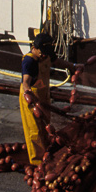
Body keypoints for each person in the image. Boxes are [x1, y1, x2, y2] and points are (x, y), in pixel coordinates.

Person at [20, 32, 57, 165]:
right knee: (34, 129)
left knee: (45, 124)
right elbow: (26, 82)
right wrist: (28, 93)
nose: (44, 55)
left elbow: (56, 61)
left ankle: (45, 153)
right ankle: (37, 162)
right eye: (42, 51)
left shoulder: (47, 53)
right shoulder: (29, 61)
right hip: (31, 96)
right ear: (34, 48)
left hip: (44, 94)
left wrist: (74, 67)